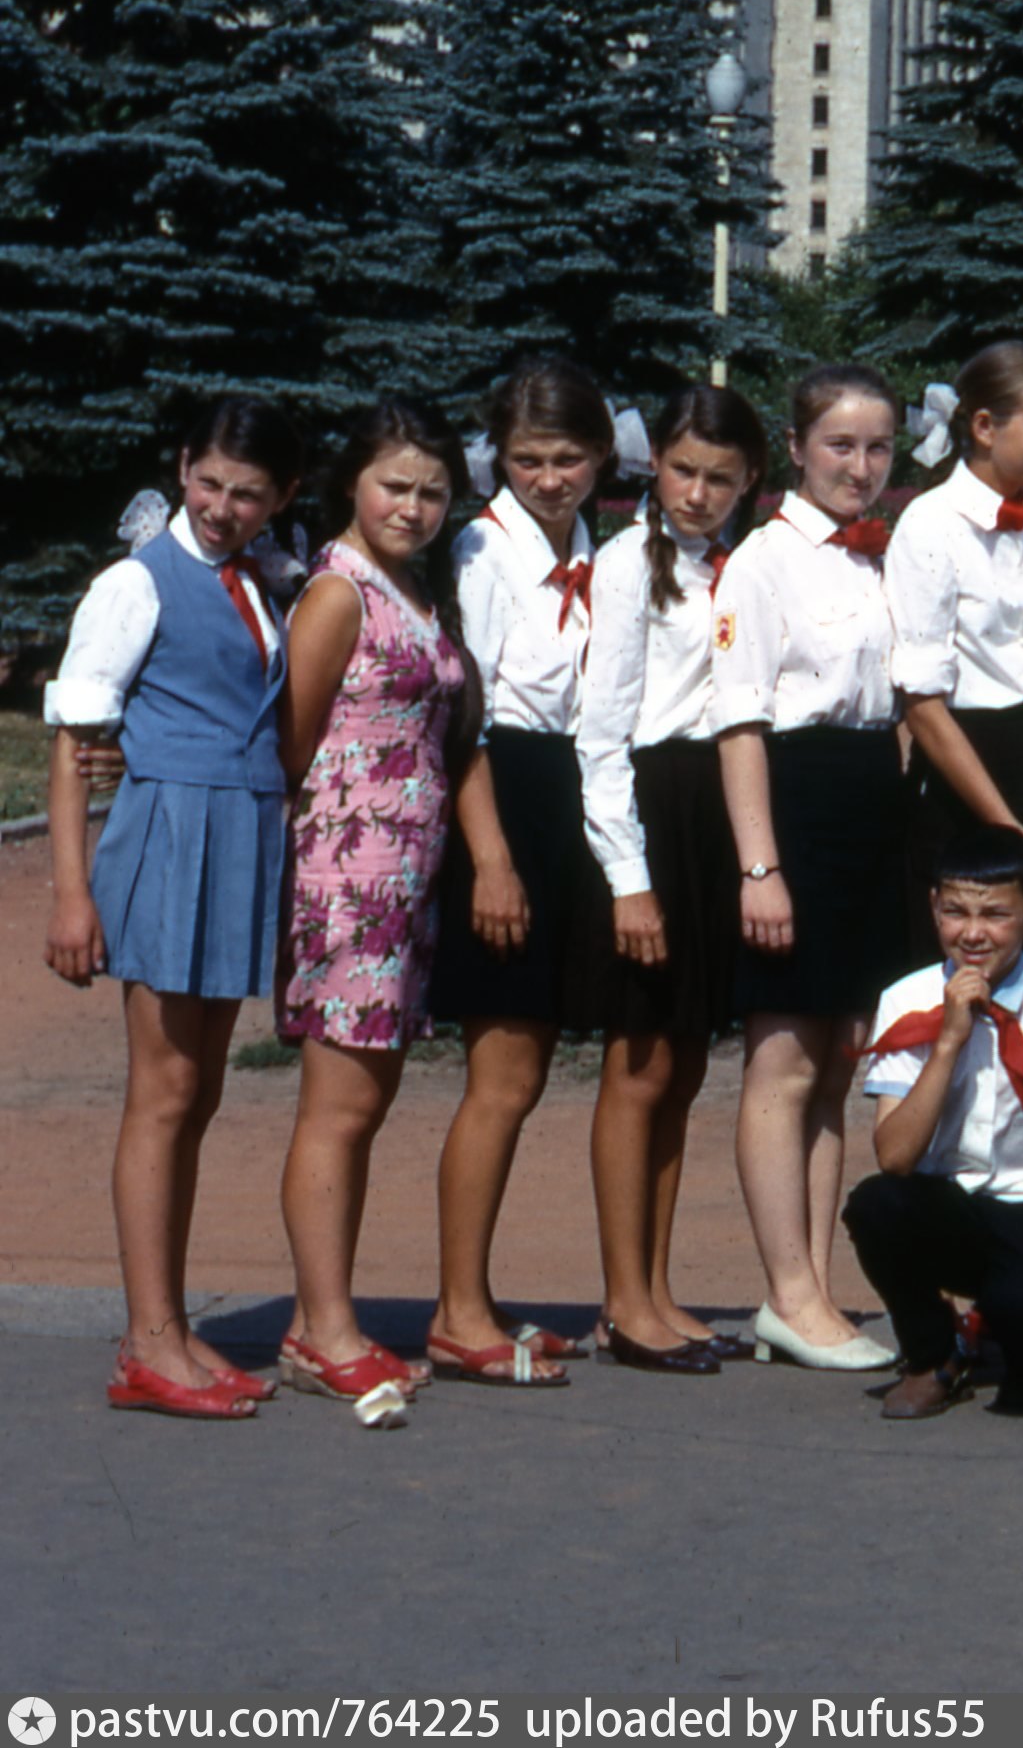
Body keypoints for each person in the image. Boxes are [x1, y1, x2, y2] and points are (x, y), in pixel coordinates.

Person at [45, 398, 313, 1420]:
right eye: (207, 484)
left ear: (281, 497)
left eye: (248, 494)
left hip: (238, 843)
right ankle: (148, 1339)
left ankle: (165, 1326)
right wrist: (72, 895)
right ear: (182, 468)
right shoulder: (135, 581)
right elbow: (78, 738)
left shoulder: (258, 581)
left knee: (198, 1093)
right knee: (161, 1092)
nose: (221, 507)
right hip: (167, 842)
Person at [272, 401, 472, 1408]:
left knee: (365, 1104)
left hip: (404, 884)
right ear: (354, 483)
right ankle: (326, 1333)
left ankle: (321, 1317)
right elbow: (295, 745)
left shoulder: (410, 588)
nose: (415, 506)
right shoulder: (337, 593)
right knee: (338, 1108)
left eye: (433, 492)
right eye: (396, 485)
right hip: (348, 881)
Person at [711, 362, 910, 1375]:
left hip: (875, 801)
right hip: (797, 805)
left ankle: (817, 1292)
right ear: (795, 449)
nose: (861, 467)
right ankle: (784, 1291)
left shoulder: (883, 558)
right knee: (784, 1060)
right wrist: (761, 867)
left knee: (840, 1059)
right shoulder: (760, 562)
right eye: (840, 445)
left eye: (879, 448)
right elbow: (740, 722)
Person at [427, 356, 613, 1389]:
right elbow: (466, 719)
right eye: (529, 458)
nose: (549, 478)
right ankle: (457, 1309)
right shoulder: (481, 554)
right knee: (499, 1076)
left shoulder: (594, 548)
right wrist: (492, 859)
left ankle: (480, 1299)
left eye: (570, 458)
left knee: (532, 1069)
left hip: (571, 803)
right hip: (502, 800)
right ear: (498, 455)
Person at [574, 383, 767, 1375]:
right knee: (639, 1062)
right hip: (650, 807)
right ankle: (622, 1301)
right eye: (684, 471)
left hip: (715, 810)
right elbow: (599, 734)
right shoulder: (623, 567)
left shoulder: (744, 566)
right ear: (659, 468)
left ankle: (658, 1289)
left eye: (720, 477)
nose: (698, 493)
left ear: (749, 482)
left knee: (684, 1066)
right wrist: (628, 878)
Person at [844, 825, 1023, 1419]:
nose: (973, 933)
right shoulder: (906, 999)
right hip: (956, 1205)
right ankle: (932, 1354)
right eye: (956, 912)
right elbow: (895, 1157)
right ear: (934, 909)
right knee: (876, 1204)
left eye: (996, 914)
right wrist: (947, 1043)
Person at [888, 342, 1023, 985]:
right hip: (967, 770)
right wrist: (1009, 831)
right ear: (983, 427)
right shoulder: (930, 526)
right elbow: (922, 706)